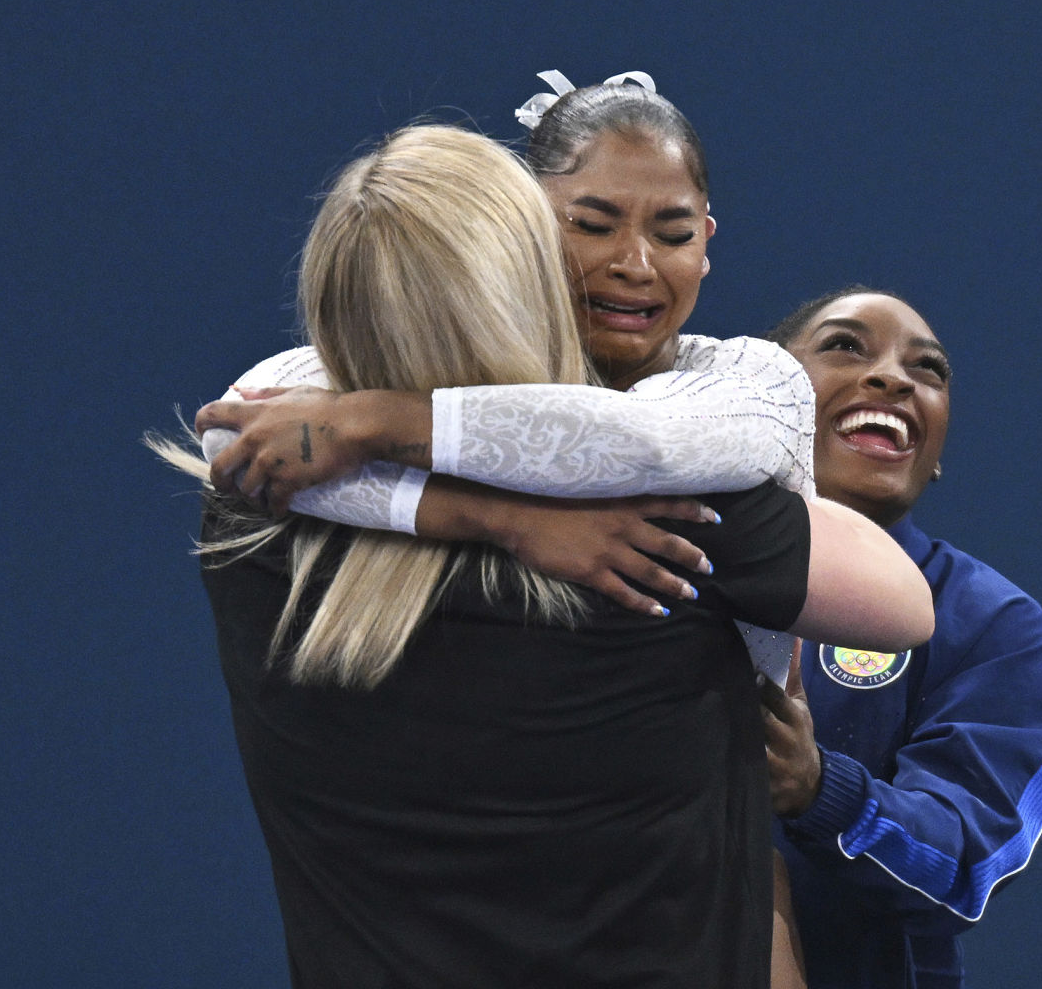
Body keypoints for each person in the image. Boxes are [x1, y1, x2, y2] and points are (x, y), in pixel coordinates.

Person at [156, 125, 934, 988]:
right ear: (528, 278)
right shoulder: (665, 528)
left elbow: (253, 412)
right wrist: (519, 510)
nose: (628, 264)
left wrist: (473, 505)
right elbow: (901, 602)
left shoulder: (251, 510)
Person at [198, 72, 815, 627]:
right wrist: (511, 520)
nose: (636, 264)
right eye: (592, 227)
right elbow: (232, 433)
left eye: (673, 234)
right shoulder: (455, 374)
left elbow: (645, 443)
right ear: (523, 231)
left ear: (705, 240)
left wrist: (369, 423)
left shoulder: (757, 377)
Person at [759, 287, 1042, 989]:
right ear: (761, 390)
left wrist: (817, 788)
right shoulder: (652, 548)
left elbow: (969, 862)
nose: (894, 377)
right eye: (845, 346)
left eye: (927, 370)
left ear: (935, 453)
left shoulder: (992, 623)